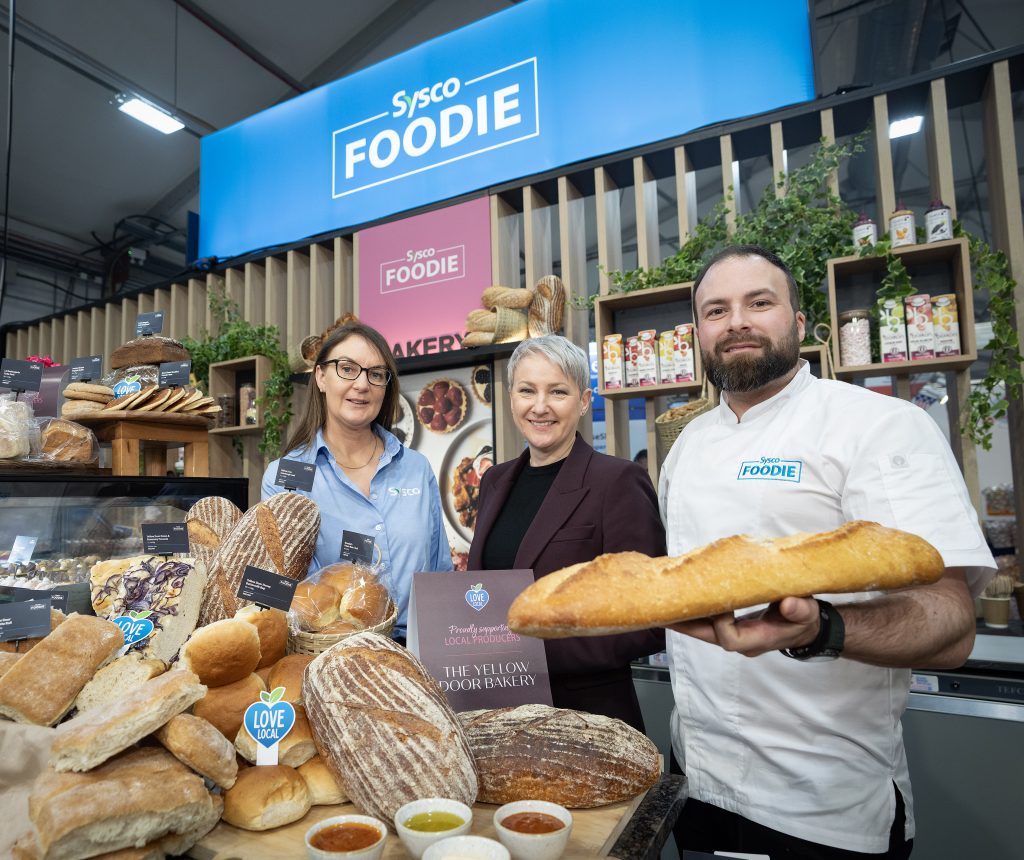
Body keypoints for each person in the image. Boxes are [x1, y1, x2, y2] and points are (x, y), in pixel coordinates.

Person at [659, 245, 995, 859]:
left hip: (822, 803)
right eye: (716, 310)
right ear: (699, 333)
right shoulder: (687, 446)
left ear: (799, 321)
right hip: (697, 784)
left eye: (759, 302)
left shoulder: (879, 426)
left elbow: (952, 627)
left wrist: (823, 628)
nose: (737, 322)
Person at [468, 335, 666, 731]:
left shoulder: (618, 481)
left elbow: (650, 618)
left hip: (588, 718)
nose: (540, 406)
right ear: (511, 399)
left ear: (583, 401)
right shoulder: (494, 481)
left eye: (557, 391)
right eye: (527, 391)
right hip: (498, 714)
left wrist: (529, 652)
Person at [262, 319, 451, 645]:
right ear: (321, 377)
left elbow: (440, 572)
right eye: (347, 369)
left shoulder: (415, 468)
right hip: (332, 653)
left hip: (419, 650)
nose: (362, 384)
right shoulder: (285, 477)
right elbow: (277, 586)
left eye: (376, 374)